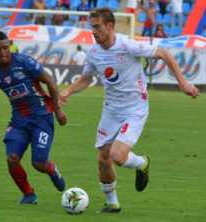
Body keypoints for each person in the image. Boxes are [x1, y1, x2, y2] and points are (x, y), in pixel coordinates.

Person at [59, 7, 199, 213]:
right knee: (103, 158)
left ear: (110, 26)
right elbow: (86, 78)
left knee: (117, 154)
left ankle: (142, 163)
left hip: (135, 108)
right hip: (111, 109)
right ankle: (112, 203)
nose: (94, 32)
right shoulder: (94, 53)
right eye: (92, 27)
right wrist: (68, 91)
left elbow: (163, 52)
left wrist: (183, 82)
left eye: (97, 27)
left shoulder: (127, 45)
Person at [0, 31, 67, 204]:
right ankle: (29, 194)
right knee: (12, 159)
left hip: (42, 118)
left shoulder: (24, 62)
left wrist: (57, 110)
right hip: (19, 121)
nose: (2, 52)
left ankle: (51, 169)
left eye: (5, 47)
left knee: (39, 163)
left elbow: (49, 81)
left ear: (10, 44)